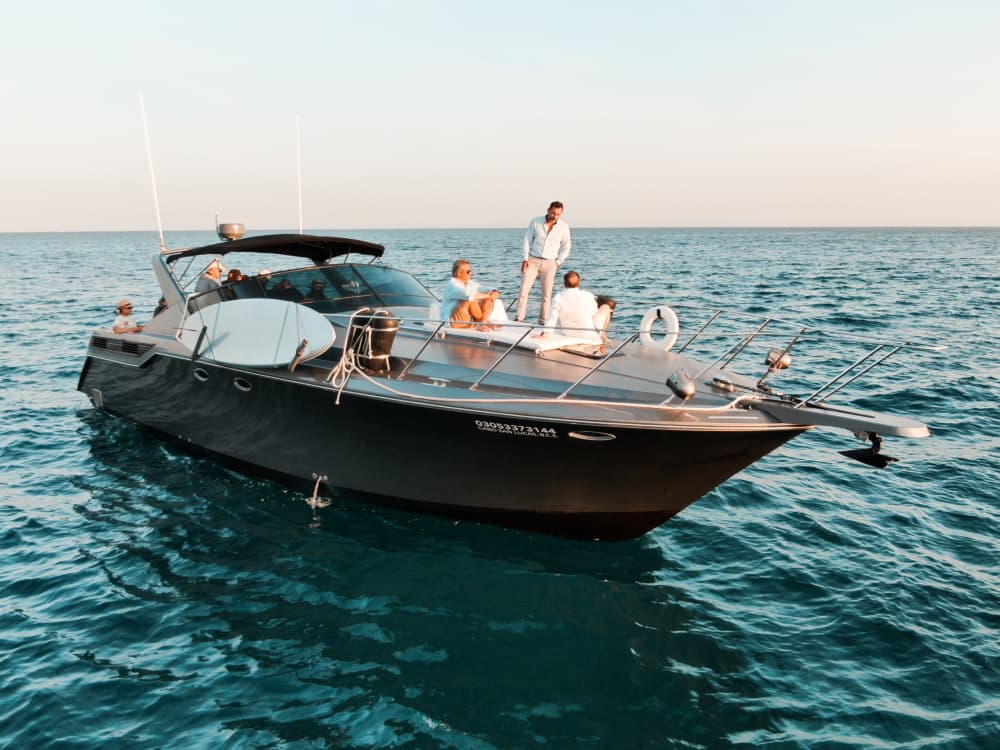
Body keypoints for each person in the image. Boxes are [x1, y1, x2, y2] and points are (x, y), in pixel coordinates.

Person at [516, 200, 572, 324]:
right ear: (548, 210)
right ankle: (519, 318)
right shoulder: (536, 222)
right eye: (553, 213)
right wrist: (525, 258)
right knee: (524, 290)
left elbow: (566, 246)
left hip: (550, 263)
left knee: (547, 294)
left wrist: (558, 262)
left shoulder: (563, 227)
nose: (555, 216)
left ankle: (543, 320)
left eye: (558, 214)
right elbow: (527, 240)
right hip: (533, 260)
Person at [536, 271, 600, 343]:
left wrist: (546, 332)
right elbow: (594, 313)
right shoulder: (588, 295)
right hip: (588, 334)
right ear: (579, 282)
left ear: (564, 283)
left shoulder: (558, 297)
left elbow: (552, 317)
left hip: (569, 333)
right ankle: (602, 335)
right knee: (607, 306)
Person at [440, 259, 500, 330]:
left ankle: (483, 323)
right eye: (468, 271)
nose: (471, 273)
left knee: (489, 299)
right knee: (469, 300)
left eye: (471, 271)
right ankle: (483, 323)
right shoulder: (453, 284)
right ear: (459, 273)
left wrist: (494, 291)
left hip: (469, 320)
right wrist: (489, 295)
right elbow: (468, 295)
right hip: (453, 322)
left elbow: (485, 288)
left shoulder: (470, 283)